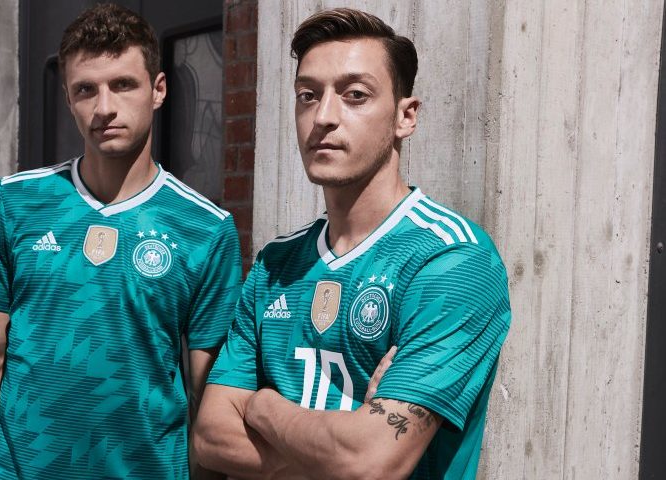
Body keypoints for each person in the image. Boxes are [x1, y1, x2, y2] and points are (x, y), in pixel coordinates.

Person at [193, 8, 511, 479]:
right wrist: (340, 449)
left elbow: (369, 462)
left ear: (405, 116)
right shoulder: (276, 264)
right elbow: (209, 437)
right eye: (307, 95)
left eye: (355, 95)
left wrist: (262, 406)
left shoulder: (452, 261)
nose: (323, 117)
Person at [0, 4, 242, 479]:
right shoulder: (14, 202)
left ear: (158, 90)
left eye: (123, 84)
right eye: (86, 89)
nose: (104, 108)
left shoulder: (206, 228)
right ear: (68, 98)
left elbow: (207, 397)